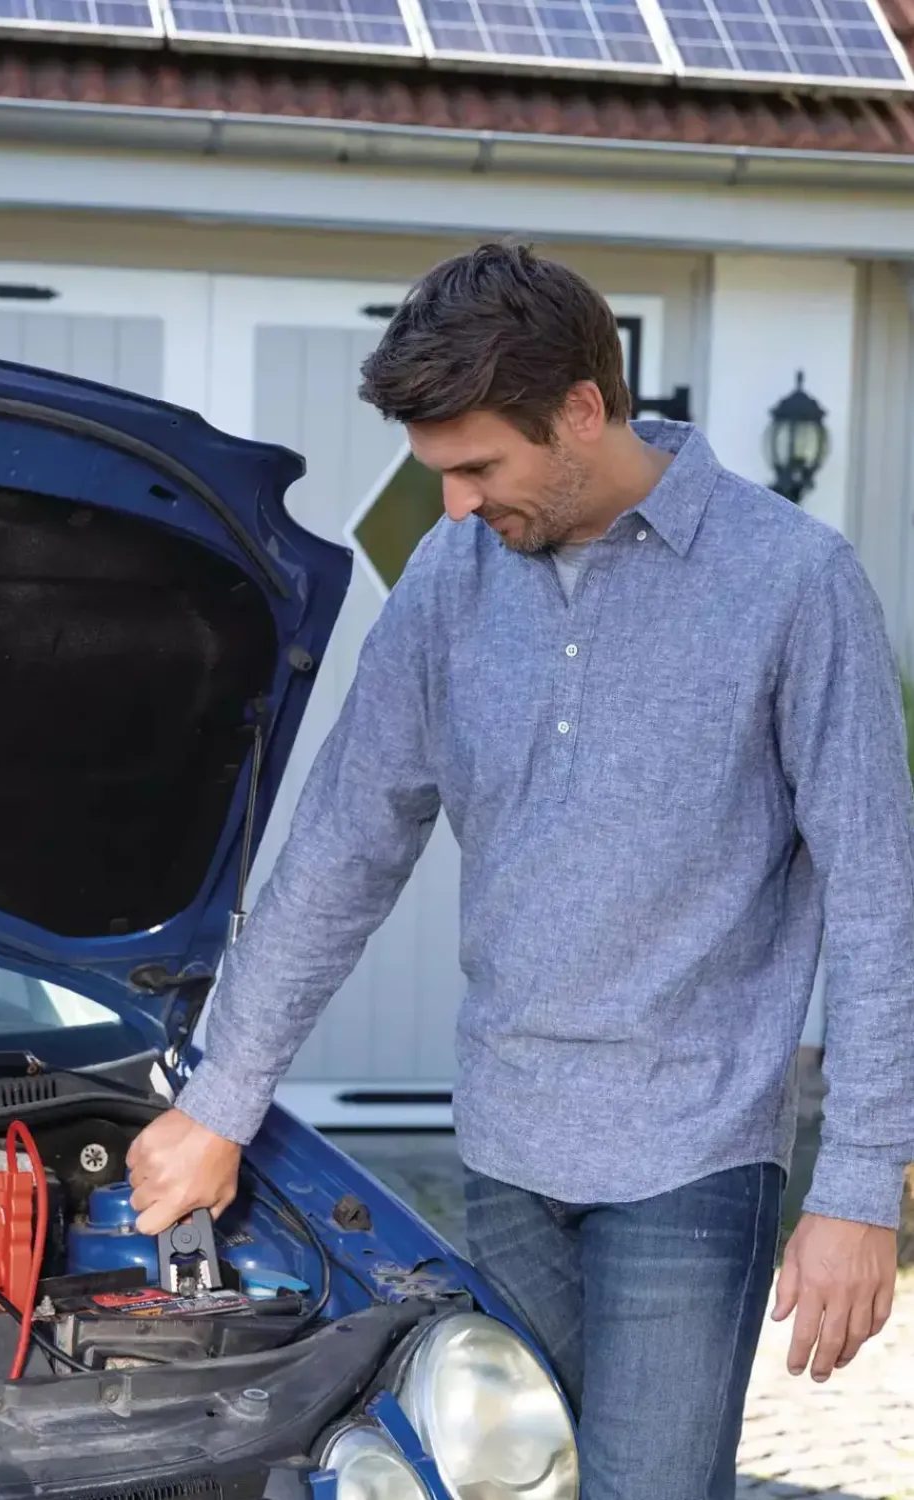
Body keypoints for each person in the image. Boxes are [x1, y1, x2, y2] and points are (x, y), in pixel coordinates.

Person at [124, 242, 914, 1498]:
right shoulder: (451, 579)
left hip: (693, 1154)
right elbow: (343, 847)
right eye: (437, 472)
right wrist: (221, 1099)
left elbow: (880, 897)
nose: (452, 507)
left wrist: (861, 1189)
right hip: (504, 1144)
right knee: (509, 1486)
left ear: (582, 411)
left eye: (479, 468)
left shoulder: (792, 583)